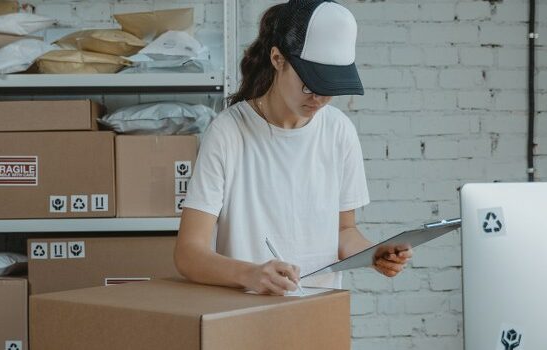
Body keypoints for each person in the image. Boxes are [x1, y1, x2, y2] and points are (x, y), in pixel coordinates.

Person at [174, 0, 412, 295]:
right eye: (310, 84)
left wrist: (374, 253)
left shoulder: (339, 131)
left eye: (330, 89)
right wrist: (252, 274)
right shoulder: (228, 133)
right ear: (277, 59)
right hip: (245, 316)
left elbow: (343, 231)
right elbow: (188, 253)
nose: (318, 99)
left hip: (317, 312)